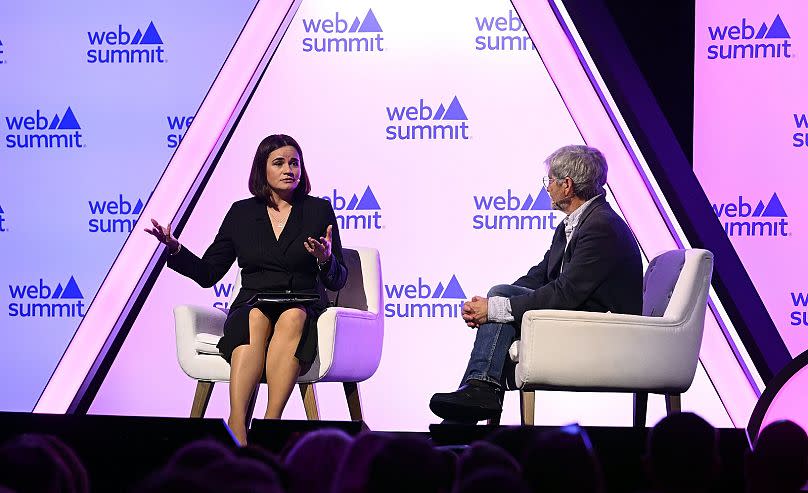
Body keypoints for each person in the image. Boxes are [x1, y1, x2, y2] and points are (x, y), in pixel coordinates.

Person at [146, 134, 347, 444]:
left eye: (294, 162)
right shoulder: (241, 213)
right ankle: (238, 425)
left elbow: (338, 279)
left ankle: (268, 427)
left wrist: (325, 260)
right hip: (252, 303)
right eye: (279, 163)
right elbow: (208, 273)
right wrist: (175, 250)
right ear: (262, 170)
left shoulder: (319, 211)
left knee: (293, 315)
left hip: (303, 304)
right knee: (254, 317)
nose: (289, 169)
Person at [430, 144, 642, 422]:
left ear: (567, 186)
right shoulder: (576, 223)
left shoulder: (601, 227)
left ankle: (478, 394)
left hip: (601, 327)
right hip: (580, 316)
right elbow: (540, 276)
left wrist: (496, 307)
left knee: (501, 301)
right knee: (501, 297)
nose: (547, 188)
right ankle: (477, 395)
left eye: (550, 180)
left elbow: (565, 293)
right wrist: (491, 305)